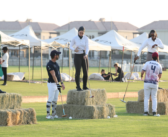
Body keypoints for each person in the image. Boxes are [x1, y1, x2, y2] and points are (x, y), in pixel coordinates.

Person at [46, 50, 65, 119]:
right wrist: (57, 84)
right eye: (57, 55)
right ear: (54, 56)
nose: (58, 56)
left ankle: (54, 114)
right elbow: (53, 75)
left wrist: (61, 83)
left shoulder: (56, 64)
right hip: (51, 84)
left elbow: (58, 74)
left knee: (55, 99)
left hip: (57, 83)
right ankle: (48, 115)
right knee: (50, 99)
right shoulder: (49, 64)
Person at [141, 52, 162, 117]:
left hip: (147, 82)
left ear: (152, 57)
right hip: (155, 83)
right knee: (154, 98)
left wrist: (141, 76)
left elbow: (142, 71)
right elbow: (160, 75)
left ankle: (146, 112)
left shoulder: (147, 63)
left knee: (146, 97)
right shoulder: (159, 65)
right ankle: (154, 112)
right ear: (157, 57)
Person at [70, 26, 89, 91]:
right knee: (78, 71)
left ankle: (84, 86)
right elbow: (70, 46)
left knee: (85, 72)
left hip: (84, 55)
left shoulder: (86, 38)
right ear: (78, 32)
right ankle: (78, 86)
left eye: (82, 33)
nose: (81, 34)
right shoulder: (74, 38)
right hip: (77, 55)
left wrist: (86, 54)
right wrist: (74, 49)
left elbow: (87, 47)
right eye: (80, 32)